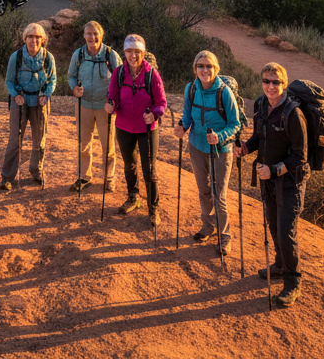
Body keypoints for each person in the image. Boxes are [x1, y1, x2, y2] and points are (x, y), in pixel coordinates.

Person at [234, 62, 308, 307]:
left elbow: (301, 156)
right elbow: (259, 136)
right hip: (268, 180)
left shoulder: (293, 113)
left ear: (284, 84)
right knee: (274, 225)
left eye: (276, 82)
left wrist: (274, 170)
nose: (271, 86)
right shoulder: (260, 105)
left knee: (286, 231)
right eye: (266, 81)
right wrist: (246, 148)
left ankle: (292, 281)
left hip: (290, 181)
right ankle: (279, 265)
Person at [174, 50, 241, 248]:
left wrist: (219, 136)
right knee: (203, 190)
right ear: (195, 69)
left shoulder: (224, 92)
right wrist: (182, 127)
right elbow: (187, 116)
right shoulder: (191, 88)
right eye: (201, 66)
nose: (205, 70)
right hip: (196, 146)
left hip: (221, 150)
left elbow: (235, 124)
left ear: (216, 69)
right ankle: (208, 227)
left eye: (209, 66)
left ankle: (225, 236)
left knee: (219, 195)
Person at [105, 33, 166, 226]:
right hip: (124, 126)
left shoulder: (152, 75)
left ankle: (153, 207)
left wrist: (154, 114)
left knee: (149, 169)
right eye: (129, 51)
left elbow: (161, 103)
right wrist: (111, 105)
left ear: (143, 53)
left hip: (147, 128)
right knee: (129, 164)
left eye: (137, 51)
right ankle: (133, 197)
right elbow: (113, 96)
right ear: (124, 52)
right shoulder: (119, 73)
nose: (133, 55)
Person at [0, 22, 56, 191]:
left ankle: (36, 172)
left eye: (38, 37)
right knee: (15, 141)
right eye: (30, 36)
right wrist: (16, 95)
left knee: (39, 140)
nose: (34, 40)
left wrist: (46, 94)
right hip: (20, 101)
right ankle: (7, 177)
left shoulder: (48, 58)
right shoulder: (16, 57)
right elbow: (9, 80)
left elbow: (52, 80)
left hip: (40, 102)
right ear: (25, 38)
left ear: (43, 39)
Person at [67, 21, 121, 192]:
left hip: (105, 107)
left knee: (108, 145)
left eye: (95, 33)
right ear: (84, 36)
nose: (92, 37)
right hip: (84, 105)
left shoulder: (110, 54)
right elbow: (71, 76)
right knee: (83, 144)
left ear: (101, 35)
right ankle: (84, 176)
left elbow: (120, 79)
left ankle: (109, 178)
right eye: (89, 34)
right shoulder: (79, 54)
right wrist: (74, 88)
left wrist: (113, 101)